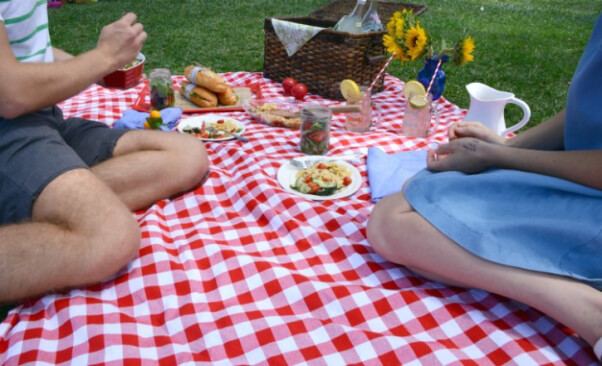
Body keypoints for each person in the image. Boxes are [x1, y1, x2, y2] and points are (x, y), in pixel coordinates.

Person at [367, 14, 602, 360]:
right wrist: (504, 149)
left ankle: (586, 310)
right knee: (413, 207)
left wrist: (496, 156)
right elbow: (584, 111)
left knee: (393, 223)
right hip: (579, 185)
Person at [0, 2, 209, 302]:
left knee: (187, 155)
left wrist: (89, 68)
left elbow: (29, 50)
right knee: (111, 237)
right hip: (10, 129)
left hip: (42, 117)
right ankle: (67, 202)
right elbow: (10, 95)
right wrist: (103, 56)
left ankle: (62, 198)